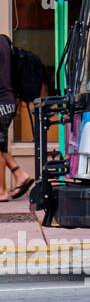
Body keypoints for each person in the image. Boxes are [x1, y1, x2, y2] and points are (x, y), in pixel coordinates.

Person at [0, 35, 33, 202]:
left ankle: (1, 191)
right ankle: (20, 174)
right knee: (1, 145)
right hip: (8, 100)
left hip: (2, 101)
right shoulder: (5, 41)